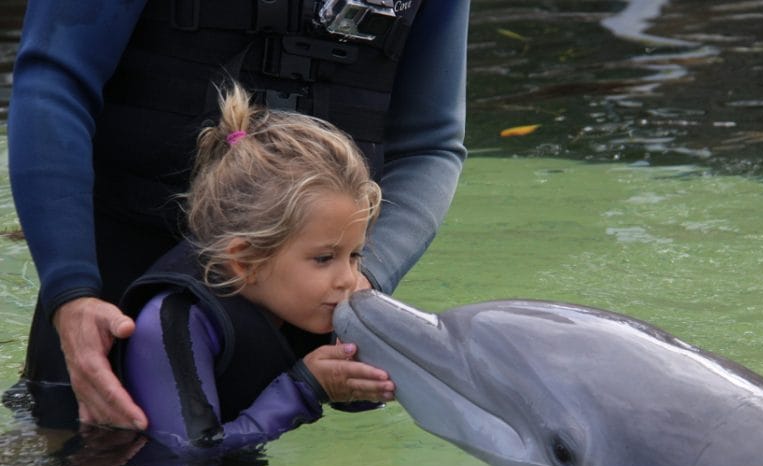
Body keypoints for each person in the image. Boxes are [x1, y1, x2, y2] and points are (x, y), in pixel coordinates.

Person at [7, 0, 468, 429]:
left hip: (299, 285)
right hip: (114, 286)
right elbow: (55, 79)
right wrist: (72, 293)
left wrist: (366, 275)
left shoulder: (340, 278)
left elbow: (429, 144)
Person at [119, 83, 393, 449]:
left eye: (354, 255)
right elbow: (186, 459)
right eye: (325, 258)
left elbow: (357, 398)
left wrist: (366, 369)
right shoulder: (172, 321)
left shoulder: (301, 300)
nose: (348, 279)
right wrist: (305, 389)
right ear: (245, 261)